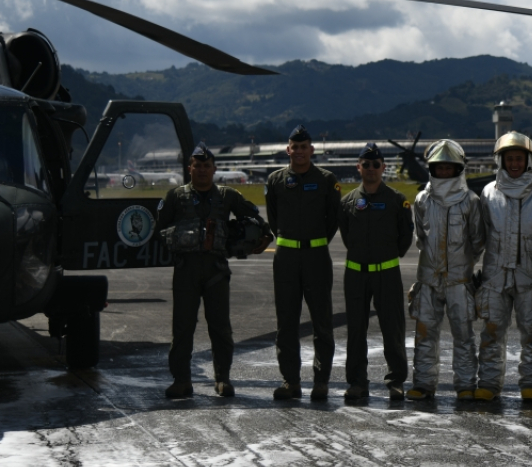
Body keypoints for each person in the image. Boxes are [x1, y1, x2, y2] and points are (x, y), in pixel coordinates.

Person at [158, 143, 265, 399]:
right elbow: (159, 230)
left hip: (216, 269)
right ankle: (182, 380)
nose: (203, 170)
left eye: (207, 166)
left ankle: (223, 378)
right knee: (182, 327)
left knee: (220, 327)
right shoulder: (175, 197)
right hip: (186, 270)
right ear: (190, 168)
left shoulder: (228, 196)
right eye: (198, 166)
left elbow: (254, 218)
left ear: (214, 169)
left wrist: (259, 237)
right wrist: (179, 237)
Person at [476, 132, 532, 401]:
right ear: (500, 160)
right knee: (491, 332)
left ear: (528, 161)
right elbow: (479, 235)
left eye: (519, 158)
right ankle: (489, 384)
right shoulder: (488, 192)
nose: (514, 163)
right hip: (494, 275)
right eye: (509, 158)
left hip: (530, 276)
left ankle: (531, 384)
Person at [265, 125, 340, 400]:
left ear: (311, 149)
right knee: (286, 322)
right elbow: (273, 219)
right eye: (294, 147)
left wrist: (314, 241)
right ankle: (291, 382)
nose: (299, 151)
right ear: (288, 150)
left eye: (303, 147)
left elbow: (333, 220)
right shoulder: (275, 180)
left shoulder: (326, 179)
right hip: (285, 257)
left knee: (322, 322)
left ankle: (321, 382)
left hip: (316, 256)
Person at [408, 139, 486, 400]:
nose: (443, 171)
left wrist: (461, 267)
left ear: (458, 169)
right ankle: (423, 384)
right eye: (438, 167)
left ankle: (465, 385)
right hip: (428, 280)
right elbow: (421, 238)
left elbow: (477, 241)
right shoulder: (421, 200)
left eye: (448, 167)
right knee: (424, 335)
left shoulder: (470, 201)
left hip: (459, 281)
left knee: (463, 336)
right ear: (431, 168)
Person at [339, 143, 414, 401]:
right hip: (356, 274)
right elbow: (347, 236)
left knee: (392, 328)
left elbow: (406, 236)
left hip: (387, 273)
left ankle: (395, 381)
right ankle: (357, 382)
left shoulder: (396, 200)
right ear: (358, 167)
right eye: (366, 164)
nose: (371, 169)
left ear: (383, 167)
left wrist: (387, 257)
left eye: (376, 164)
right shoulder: (348, 201)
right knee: (356, 330)